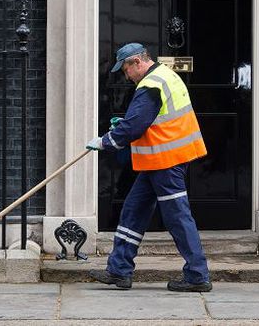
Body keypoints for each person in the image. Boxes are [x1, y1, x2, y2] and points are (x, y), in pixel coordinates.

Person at [86, 42, 212, 292]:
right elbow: (151, 119)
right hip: (158, 161)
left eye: (125, 70)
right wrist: (126, 123)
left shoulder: (150, 85)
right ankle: (119, 270)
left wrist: (106, 141)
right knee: (133, 211)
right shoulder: (165, 76)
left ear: (136, 62)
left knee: (177, 217)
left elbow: (135, 126)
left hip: (167, 161)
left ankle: (197, 275)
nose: (126, 75)